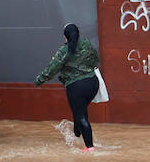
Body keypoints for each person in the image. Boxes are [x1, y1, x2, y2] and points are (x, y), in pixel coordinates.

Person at [34, 23, 100, 151]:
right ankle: (77, 135)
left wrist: (39, 80)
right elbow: (95, 60)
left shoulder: (64, 51)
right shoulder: (87, 44)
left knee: (81, 116)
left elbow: (52, 68)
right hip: (92, 83)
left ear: (65, 37)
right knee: (80, 112)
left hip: (76, 87)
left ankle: (90, 147)